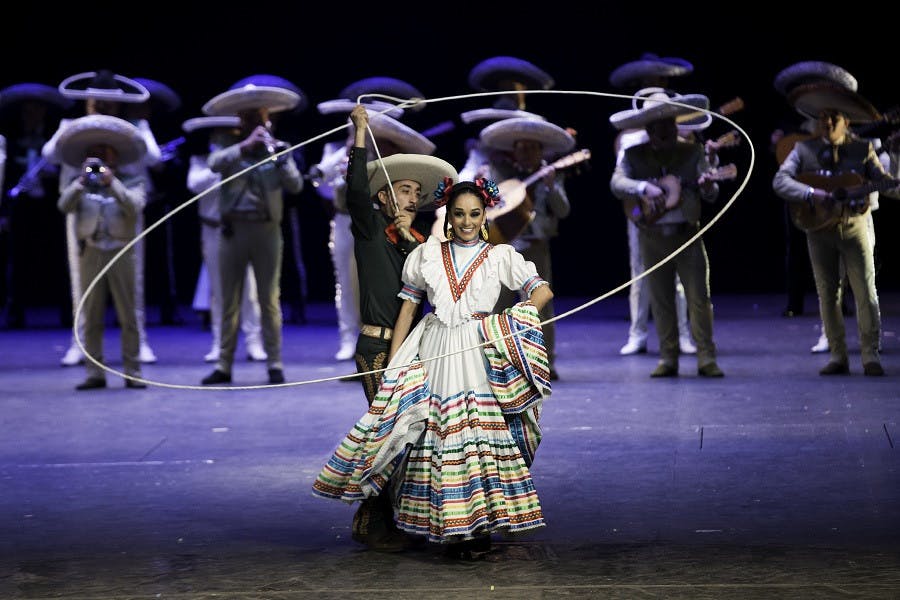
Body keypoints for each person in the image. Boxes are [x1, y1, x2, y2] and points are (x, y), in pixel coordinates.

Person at [313, 175, 554, 558]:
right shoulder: (426, 254)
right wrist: (395, 364)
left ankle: (478, 528)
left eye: (474, 214)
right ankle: (447, 529)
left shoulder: (499, 256)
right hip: (436, 347)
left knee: (477, 439)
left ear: (484, 214)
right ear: (448, 215)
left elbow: (541, 290)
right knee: (436, 436)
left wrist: (518, 316)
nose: (466, 222)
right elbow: (409, 307)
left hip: (478, 348)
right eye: (458, 214)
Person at [318, 104, 457, 552]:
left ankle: (389, 516)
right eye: (402, 190)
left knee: (411, 432)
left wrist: (416, 239)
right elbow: (355, 188)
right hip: (378, 347)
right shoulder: (369, 229)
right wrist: (360, 131)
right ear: (383, 199)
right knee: (389, 432)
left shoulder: (418, 245)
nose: (411, 198)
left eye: (417, 192)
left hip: (414, 347)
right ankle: (370, 520)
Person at [773, 82, 898, 376]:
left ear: (846, 121)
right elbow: (780, 181)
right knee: (828, 294)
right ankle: (838, 355)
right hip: (819, 230)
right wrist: (811, 194)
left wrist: (895, 157)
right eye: (823, 117)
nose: (827, 122)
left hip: (854, 227)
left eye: (834, 117)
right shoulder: (804, 149)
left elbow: (891, 186)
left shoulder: (862, 148)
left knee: (865, 291)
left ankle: (870, 355)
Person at [43, 70, 161, 366]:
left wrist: (123, 134)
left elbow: (155, 158)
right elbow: (50, 154)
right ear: (88, 101)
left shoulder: (135, 127)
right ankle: (79, 343)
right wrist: (81, 131)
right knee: (80, 283)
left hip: (123, 205)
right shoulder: (71, 125)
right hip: (82, 207)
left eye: (110, 102)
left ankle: (140, 343)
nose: (104, 106)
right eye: (98, 101)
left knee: (133, 282)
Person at [609, 90, 725, 378]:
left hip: (687, 234)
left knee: (699, 297)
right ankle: (668, 357)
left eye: (668, 125)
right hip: (652, 234)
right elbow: (617, 182)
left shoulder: (693, 152)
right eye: (657, 126)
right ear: (648, 129)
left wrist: (709, 185)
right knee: (660, 299)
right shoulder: (634, 155)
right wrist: (642, 188)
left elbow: (711, 193)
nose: (664, 131)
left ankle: (706, 357)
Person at [311, 76, 424, 361]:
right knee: (346, 282)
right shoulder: (337, 150)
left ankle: (390, 339)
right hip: (346, 221)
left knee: (380, 282)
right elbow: (322, 183)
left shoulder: (391, 149)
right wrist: (346, 155)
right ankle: (349, 337)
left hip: (380, 223)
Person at [199, 82, 303, 386]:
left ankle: (275, 363)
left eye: (261, 119)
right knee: (228, 298)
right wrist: (244, 147)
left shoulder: (278, 149)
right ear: (241, 122)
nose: (257, 124)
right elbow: (213, 164)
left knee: (269, 299)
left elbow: (295, 186)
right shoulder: (228, 147)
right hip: (233, 229)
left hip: (266, 230)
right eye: (250, 119)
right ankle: (224, 364)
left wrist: (281, 159)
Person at [609, 53, 697, 356]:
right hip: (642, 215)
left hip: (676, 215)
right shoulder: (630, 142)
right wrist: (643, 191)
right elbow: (620, 180)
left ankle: (683, 335)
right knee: (639, 273)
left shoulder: (684, 142)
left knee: (680, 278)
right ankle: (638, 334)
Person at [772, 61, 862, 354]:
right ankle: (795, 302)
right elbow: (784, 155)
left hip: (837, 196)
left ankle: (847, 319)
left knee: (845, 259)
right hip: (806, 193)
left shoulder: (840, 119)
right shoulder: (794, 125)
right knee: (798, 249)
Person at [55, 114, 149, 390]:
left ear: (115, 158)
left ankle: (133, 371)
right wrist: (81, 182)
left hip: (121, 252)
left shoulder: (132, 181)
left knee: (128, 316)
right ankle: (94, 372)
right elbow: (64, 206)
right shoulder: (78, 183)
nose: (100, 162)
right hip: (91, 251)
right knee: (91, 316)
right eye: (94, 157)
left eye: (104, 157)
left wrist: (111, 182)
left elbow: (134, 206)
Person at [477, 116, 576, 380]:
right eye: (522, 147)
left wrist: (551, 186)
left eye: (533, 148)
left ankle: (544, 364)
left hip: (535, 247)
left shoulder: (549, 173)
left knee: (538, 306)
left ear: (541, 151)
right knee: (498, 307)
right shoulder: (499, 171)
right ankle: (497, 365)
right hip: (502, 247)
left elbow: (563, 210)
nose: (527, 153)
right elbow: (485, 207)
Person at [182, 115, 267, 363]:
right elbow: (194, 184)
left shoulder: (245, 159)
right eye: (219, 135)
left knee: (249, 289)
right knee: (218, 290)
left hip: (243, 227)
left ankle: (254, 342)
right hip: (213, 229)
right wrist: (221, 165)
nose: (224, 139)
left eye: (229, 134)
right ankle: (220, 343)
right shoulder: (201, 162)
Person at [230, 74, 310, 326]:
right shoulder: (240, 138)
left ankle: (297, 305)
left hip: (281, 204)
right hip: (250, 209)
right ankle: (248, 319)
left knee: (290, 256)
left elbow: (297, 173)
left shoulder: (286, 136)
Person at [0, 83, 71, 330]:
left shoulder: (55, 138)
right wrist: (5, 211)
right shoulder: (9, 140)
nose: (32, 115)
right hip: (22, 207)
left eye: (36, 110)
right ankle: (15, 312)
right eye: (27, 111)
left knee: (60, 259)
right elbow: (5, 176)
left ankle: (67, 312)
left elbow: (68, 168)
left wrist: (54, 174)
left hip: (51, 208)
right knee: (17, 261)